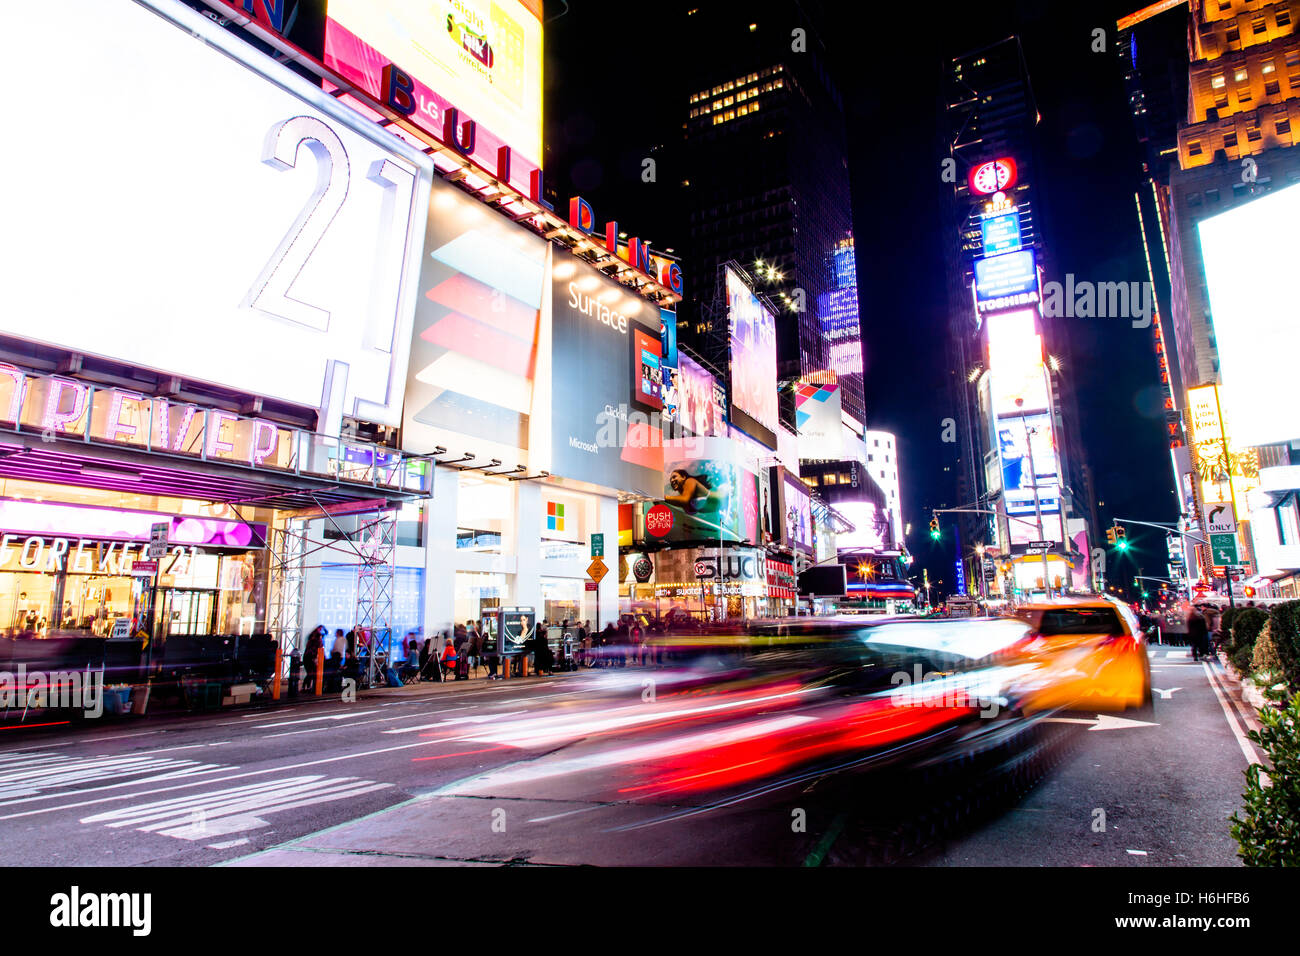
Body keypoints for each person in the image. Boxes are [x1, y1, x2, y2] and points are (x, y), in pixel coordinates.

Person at [302, 627, 324, 694]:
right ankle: (307, 687)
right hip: (310, 658)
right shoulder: (316, 643)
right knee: (311, 673)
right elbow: (318, 649)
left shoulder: (310, 641)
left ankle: (306, 687)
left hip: (307, 658)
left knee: (310, 673)